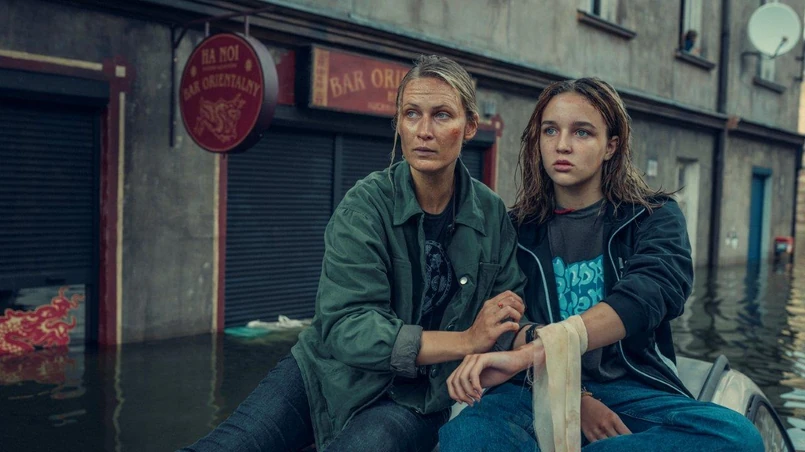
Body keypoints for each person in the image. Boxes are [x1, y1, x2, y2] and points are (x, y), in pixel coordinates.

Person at [181, 55, 526, 452]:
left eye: (442, 115)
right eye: (412, 114)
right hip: (326, 371)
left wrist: (508, 343)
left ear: (470, 126)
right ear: (398, 123)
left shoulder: (491, 214)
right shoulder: (365, 205)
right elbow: (348, 326)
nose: (424, 131)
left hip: (417, 396)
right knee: (231, 444)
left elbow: (507, 313)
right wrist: (466, 341)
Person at [439, 78, 764, 451]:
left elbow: (646, 297)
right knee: (464, 436)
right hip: (531, 388)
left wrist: (539, 350)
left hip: (628, 387)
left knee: (736, 437)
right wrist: (574, 396)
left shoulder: (652, 218)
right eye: (550, 130)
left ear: (611, 146)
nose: (562, 145)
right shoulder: (515, 229)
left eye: (582, 132)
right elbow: (504, 321)